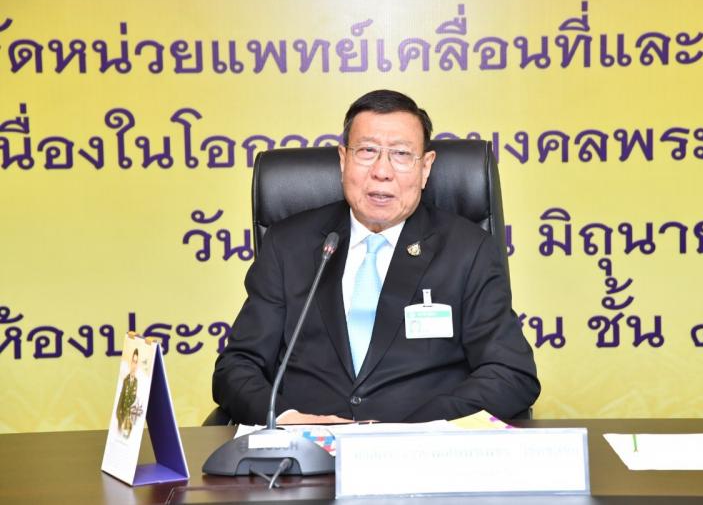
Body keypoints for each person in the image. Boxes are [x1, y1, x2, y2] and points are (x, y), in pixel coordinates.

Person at [212, 89, 540, 424]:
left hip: (422, 448)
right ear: (343, 160)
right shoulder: (288, 245)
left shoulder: (467, 250)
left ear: (426, 168)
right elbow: (237, 368)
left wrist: (418, 430)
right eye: (367, 151)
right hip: (307, 449)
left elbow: (510, 373)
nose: (382, 171)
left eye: (401, 154)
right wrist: (288, 418)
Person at [116, 348, 138, 436]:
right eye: (133, 361)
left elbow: (134, 399)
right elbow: (121, 397)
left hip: (131, 419)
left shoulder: (136, 382)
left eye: (136, 362)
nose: (134, 365)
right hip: (122, 416)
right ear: (131, 363)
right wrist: (119, 415)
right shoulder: (125, 380)